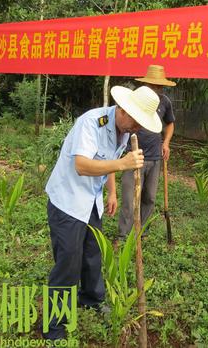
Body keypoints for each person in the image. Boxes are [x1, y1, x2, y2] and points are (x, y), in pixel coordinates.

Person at [43, 85, 161, 341]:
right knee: (68, 265)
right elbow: (82, 165)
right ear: (122, 110)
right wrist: (123, 164)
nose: (137, 129)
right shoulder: (92, 123)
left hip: (90, 202)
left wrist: (112, 192)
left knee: (93, 255)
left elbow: (108, 161)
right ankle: (55, 327)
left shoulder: (122, 130)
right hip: (68, 203)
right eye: (136, 122)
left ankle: (91, 299)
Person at [118, 65, 176, 239]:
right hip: (133, 155)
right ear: (146, 84)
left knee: (149, 197)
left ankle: (142, 232)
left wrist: (166, 142)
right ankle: (123, 235)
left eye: (160, 86)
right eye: (154, 86)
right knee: (129, 198)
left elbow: (170, 123)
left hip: (155, 157)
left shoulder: (165, 101)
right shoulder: (135, 99)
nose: (157, 89)